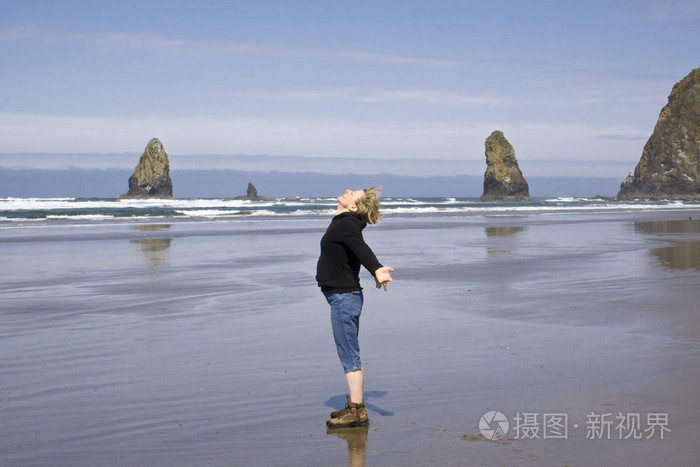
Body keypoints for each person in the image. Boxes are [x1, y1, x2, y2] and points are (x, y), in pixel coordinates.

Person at [316, 187, 394, 429]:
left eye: (353, 193)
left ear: (353, 207)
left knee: (349, 354)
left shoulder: (347, 224)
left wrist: (376, 268)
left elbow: (360, 248)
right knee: (349, 351)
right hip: (343, 297)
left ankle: (357, 411)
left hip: (343, 298)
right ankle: (355, 406)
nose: (348, 190)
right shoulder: (344, 221)